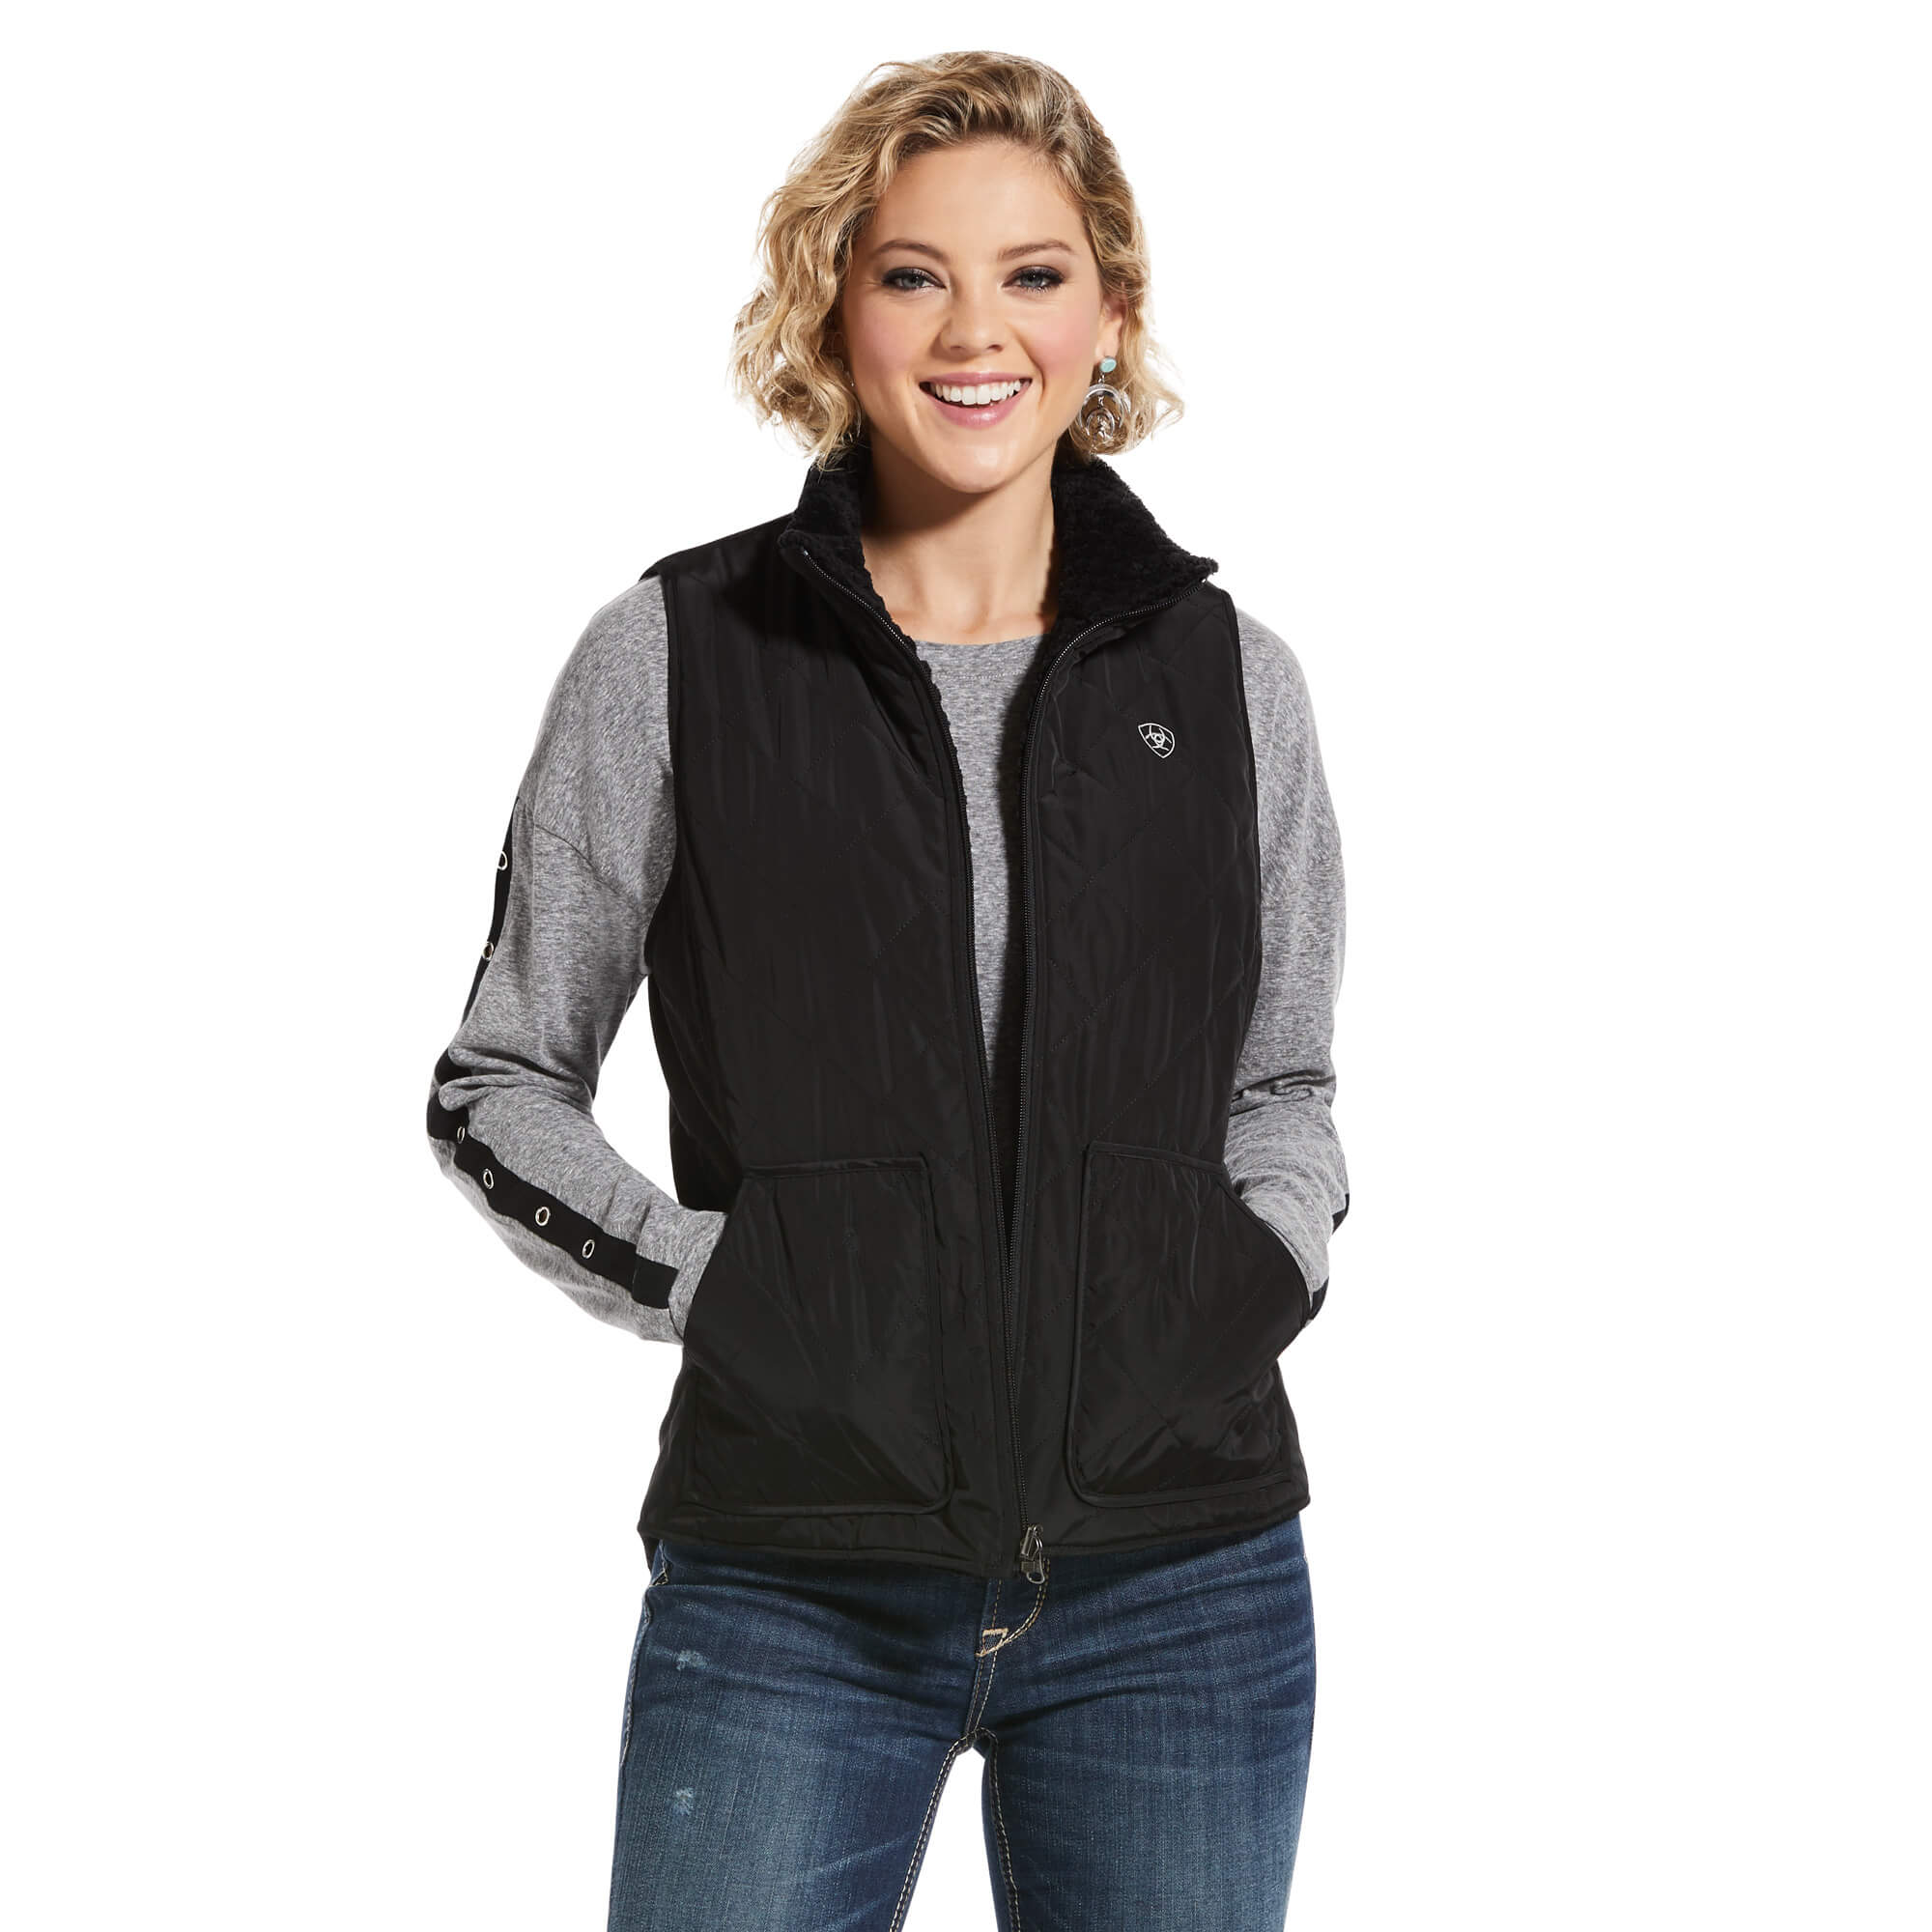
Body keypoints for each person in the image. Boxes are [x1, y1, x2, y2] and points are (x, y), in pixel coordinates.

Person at [425, 50, 1350, 1932]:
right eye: (912, 273)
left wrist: (1258, 1266)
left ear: (1109, 315)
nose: (973, 330)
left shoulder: (1229, 680)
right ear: (834, 310)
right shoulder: (679, 654)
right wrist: (719, 1287)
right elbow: (498, 1079)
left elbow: (1281, 1082)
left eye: (1033, 273)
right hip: (792, 1575)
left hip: (1183, 1581)